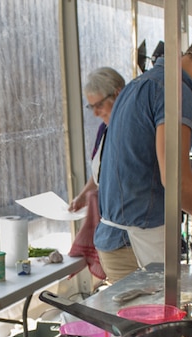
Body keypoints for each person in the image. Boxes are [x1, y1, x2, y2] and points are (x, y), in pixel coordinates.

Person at [96, 24, 192, 267]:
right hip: (135, 242)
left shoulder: (141, 84)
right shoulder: (174, 90)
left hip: (118, 237)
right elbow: (175, 177)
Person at [68, 68, 138, 282]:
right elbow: (100, 172)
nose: (96, 113)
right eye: (91, 107)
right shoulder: (104, 130)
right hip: (111, 234)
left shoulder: (136, 128)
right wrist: (83, 195)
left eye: (99, 105)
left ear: (118, 93)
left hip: (132, 233)